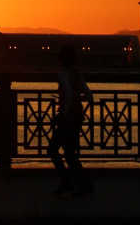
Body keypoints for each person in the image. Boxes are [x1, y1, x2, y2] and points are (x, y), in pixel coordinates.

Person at [47, 42, 94, 196]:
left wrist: (63, 113)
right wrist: (76, 98)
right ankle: (82, 184)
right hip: (77, 116)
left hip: (67, 118)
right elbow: (89, 96)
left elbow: (67, 94)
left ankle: (68, 182)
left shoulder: (63, 74)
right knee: (70, 153)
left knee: (53, 150)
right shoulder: (77, 73)